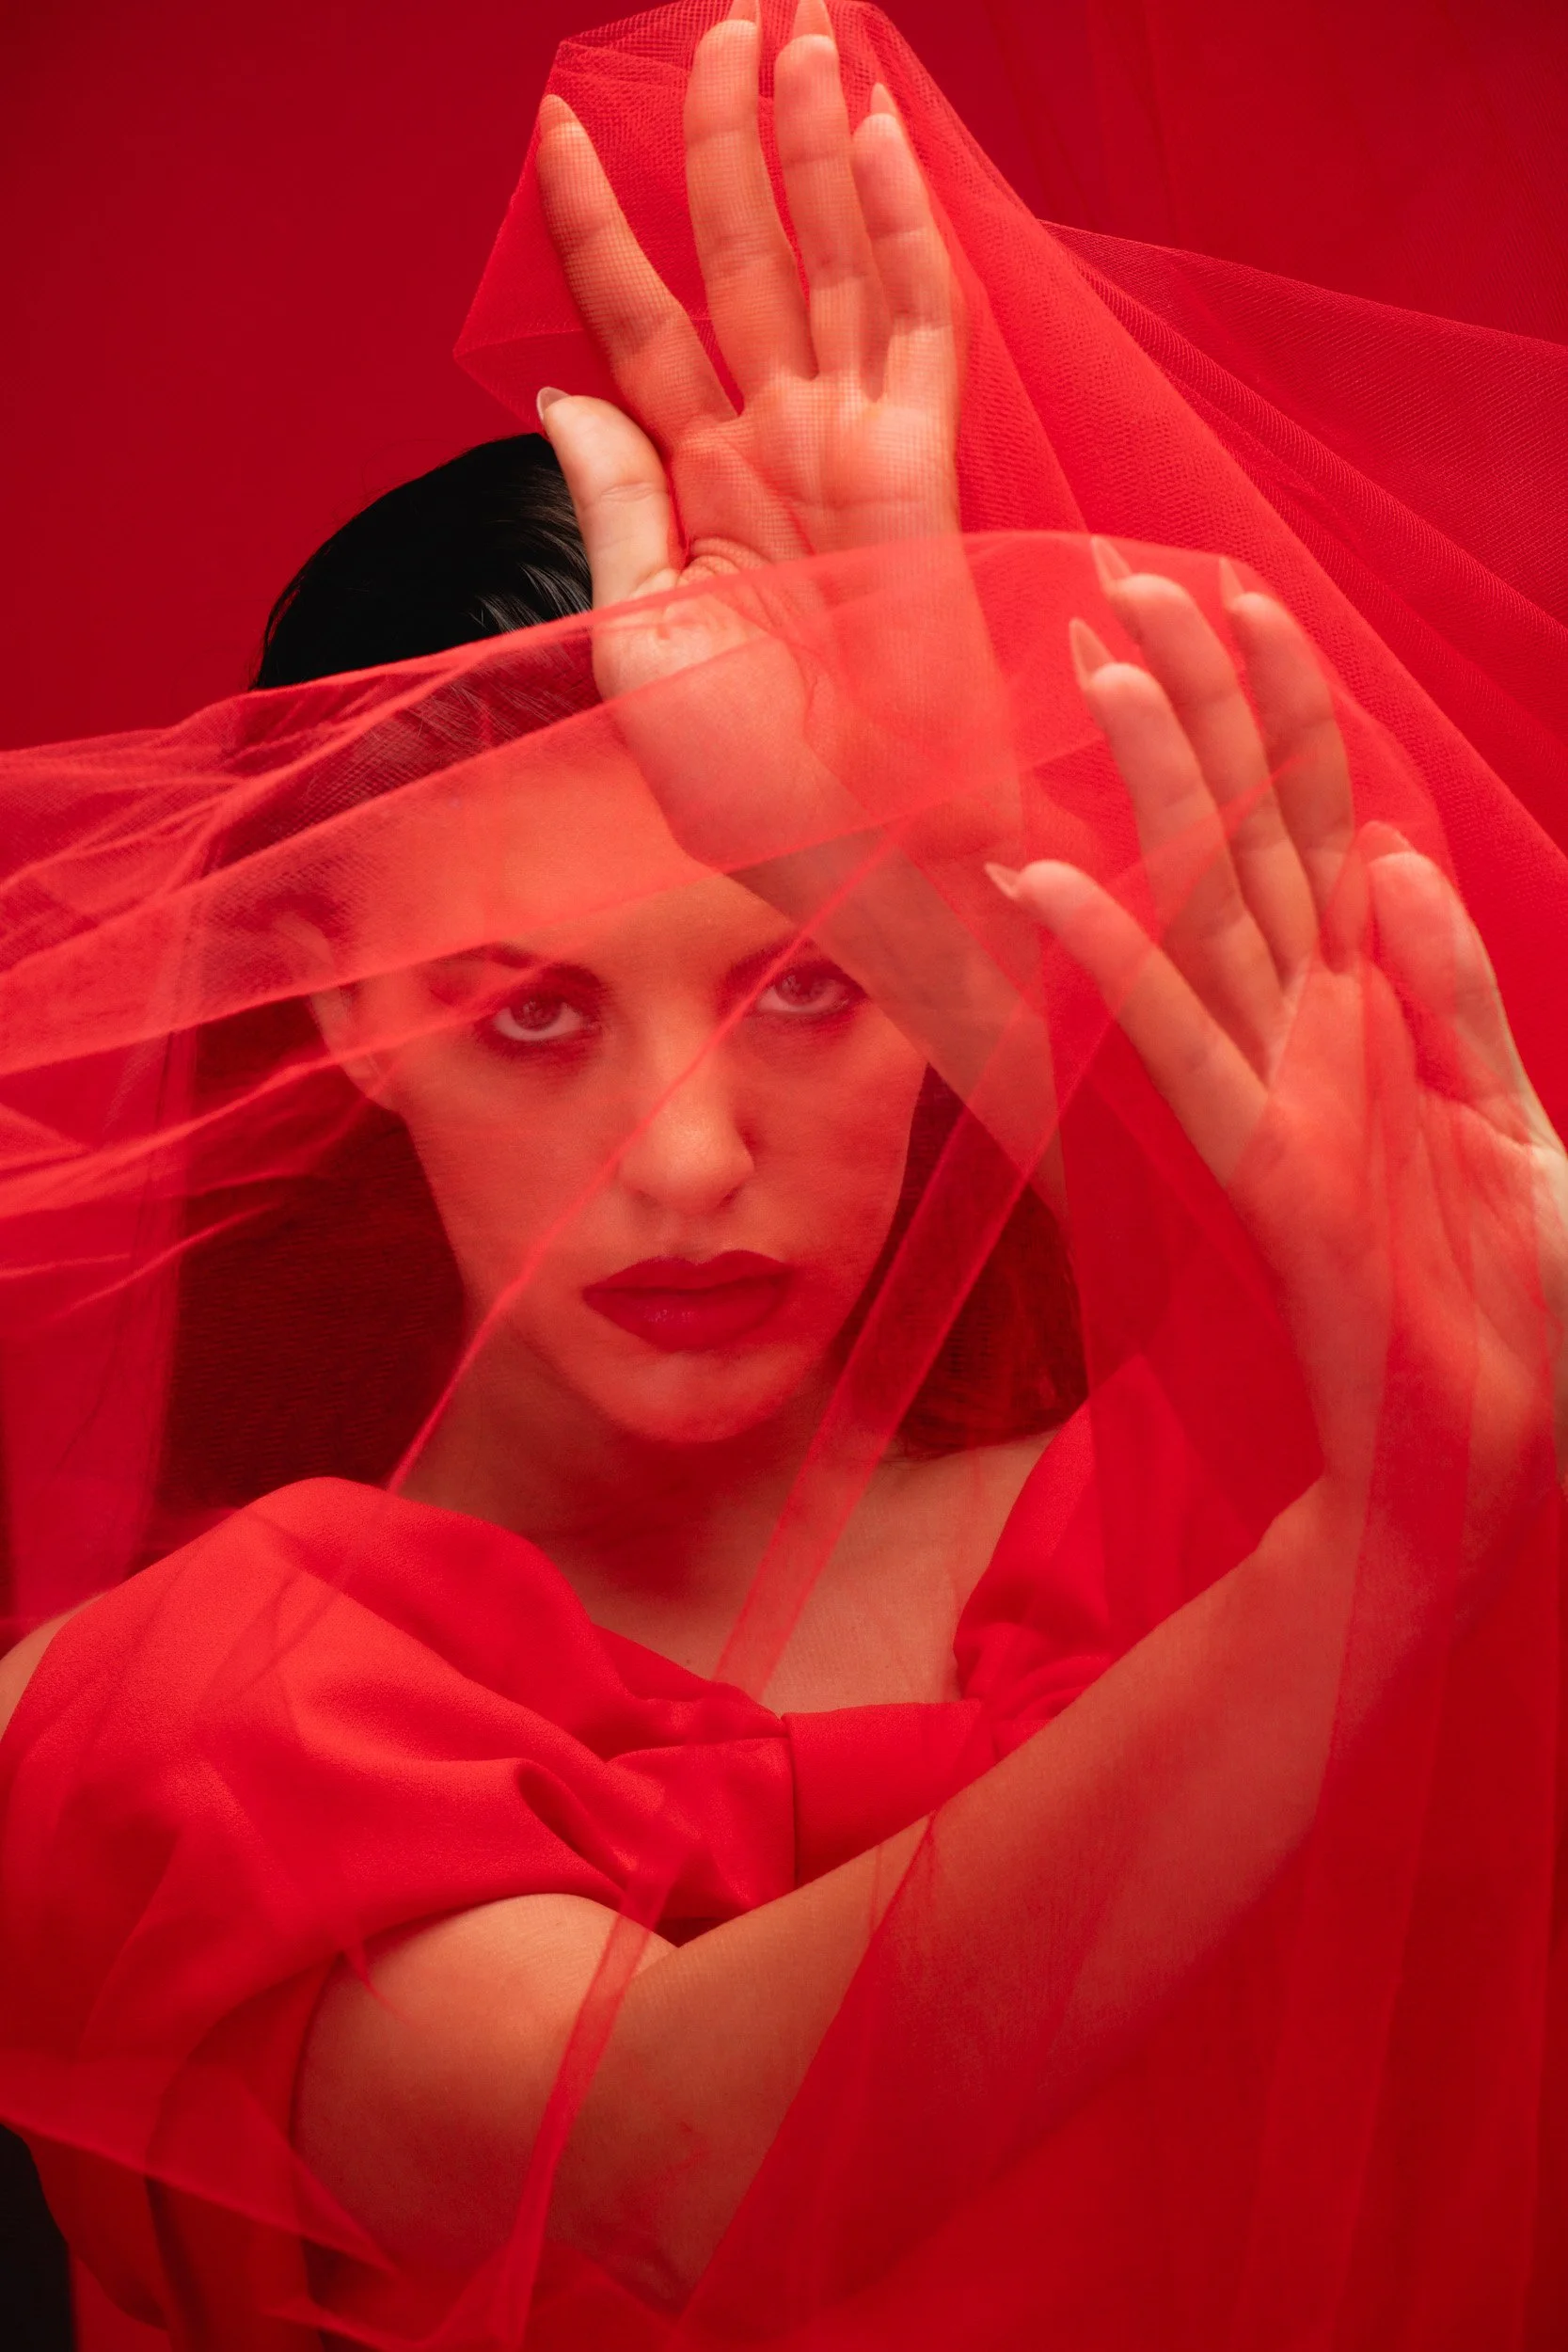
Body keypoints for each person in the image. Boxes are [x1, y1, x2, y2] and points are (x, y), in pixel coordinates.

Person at [1, 4, 1564, 2346]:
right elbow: (655, 2171)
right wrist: (1366, 1560)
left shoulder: (1201, 1497)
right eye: (529, 1012)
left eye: (805, 983)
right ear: (333, 1001)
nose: (690, 1158)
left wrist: (927, 854)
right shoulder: (154, 1726)